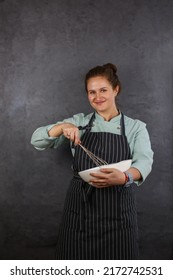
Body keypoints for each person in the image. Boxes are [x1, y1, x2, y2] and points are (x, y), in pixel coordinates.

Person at [31, 63, 153, 260]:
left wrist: (123, 177)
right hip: (80, 212)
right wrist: (63, 126)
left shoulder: (135, 127)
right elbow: (36, 140)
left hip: (118, 213)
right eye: (92, 92)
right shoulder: (79, 121)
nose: (98, 97)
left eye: (103, 90)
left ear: (116, 89)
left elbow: (143, 164)